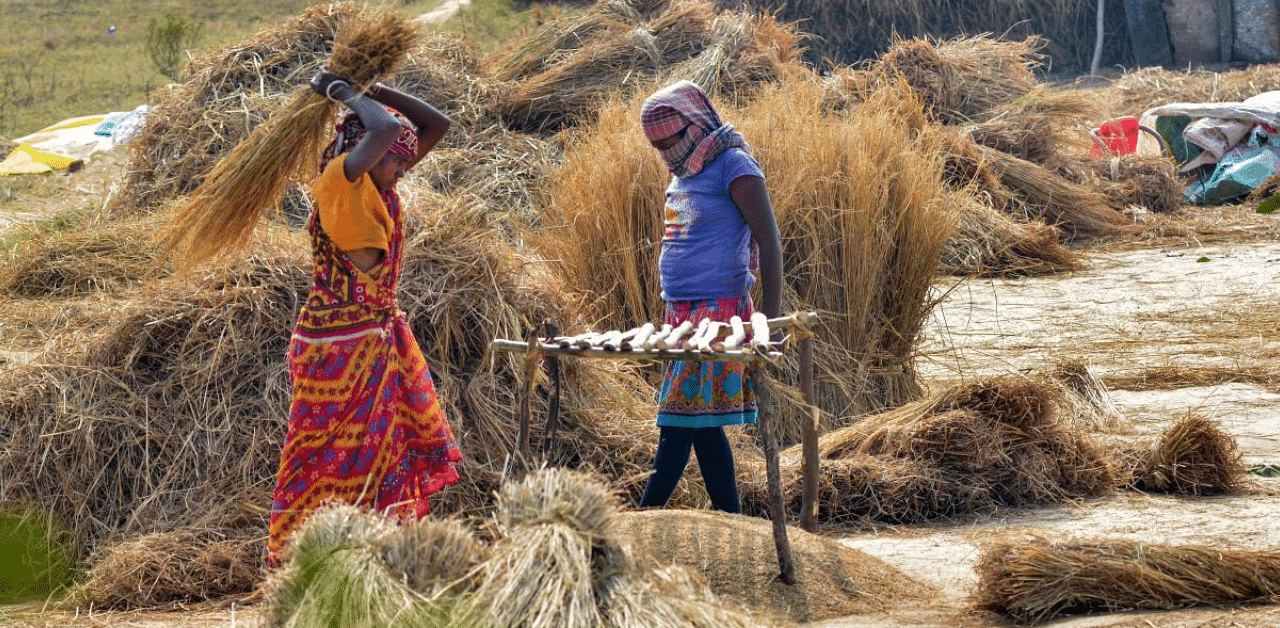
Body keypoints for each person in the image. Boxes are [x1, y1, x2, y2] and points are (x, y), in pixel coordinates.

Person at [267, 70, 461, 561]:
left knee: (381, 449)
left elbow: (437, 124)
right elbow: (388, 132)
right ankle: (301, 554)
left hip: (374, 341)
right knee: (321, 454)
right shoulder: (341, 183)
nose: (402, 169)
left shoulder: (379, 186)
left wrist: (377, 91)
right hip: (333, 347)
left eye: (400, 163)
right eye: (394, 162)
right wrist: (343, 94)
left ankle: (369, 553)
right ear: (367, 153)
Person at [637, 80, 783, 513]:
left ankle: (641, 518)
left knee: (677, 424)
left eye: (672, 140)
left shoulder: (733, 165)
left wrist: (768, 325)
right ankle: (731, 516)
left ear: (696, 122)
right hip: (680, 313)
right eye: (657, 146)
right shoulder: (685, 172)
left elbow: (769, 241)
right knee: (702, 427)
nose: (667, 152)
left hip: (717, 313)